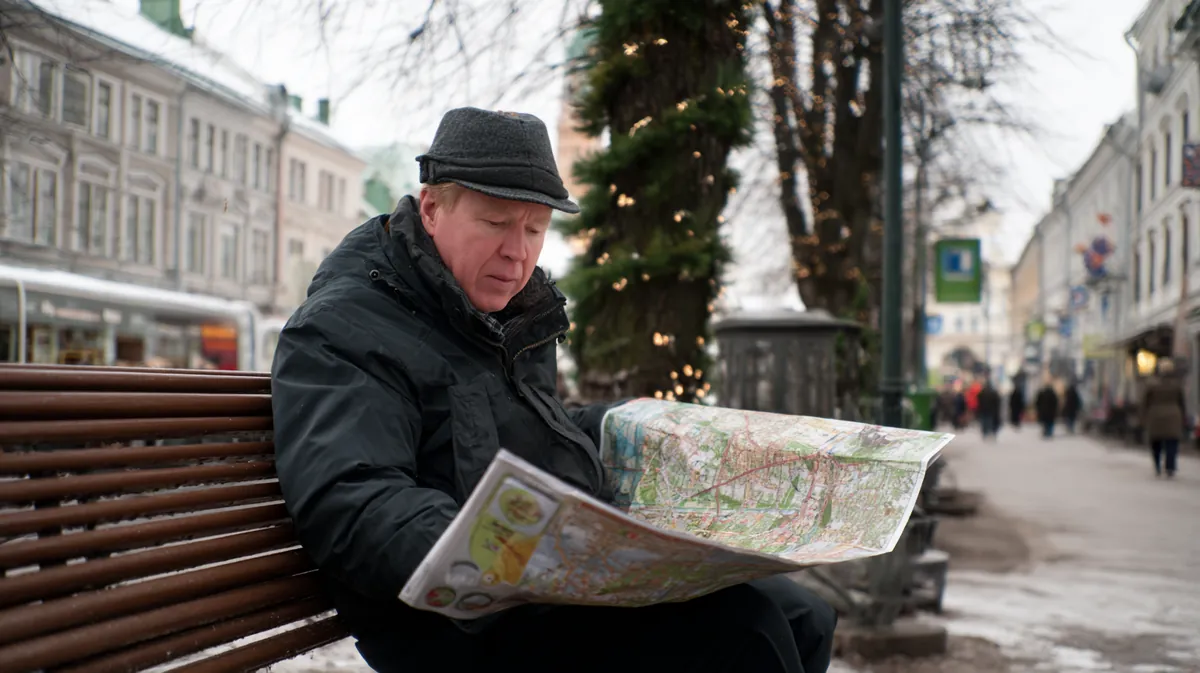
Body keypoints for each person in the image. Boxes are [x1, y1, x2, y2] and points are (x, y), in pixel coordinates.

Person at [270, 107, 837, 673]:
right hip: (457, 627)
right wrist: (512, 553)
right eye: (495, 222)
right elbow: (352, 498)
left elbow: (514, 425)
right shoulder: (347, 324)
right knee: (743, 631)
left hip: (547, 594)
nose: (517, 252)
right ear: (432, 208)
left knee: (803, 614)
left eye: (535, 228)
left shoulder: (503, 314)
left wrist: (633, 428)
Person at [1141, 359, 1185, 478]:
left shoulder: (1151, 383)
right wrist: (1183, 417)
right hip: (1173, 416)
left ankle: (1157, 465)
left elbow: (1145, 402)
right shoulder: (1177, 384)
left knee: (1156, 443)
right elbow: (1181, 402)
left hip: (1155, 416)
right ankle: (1170, 467)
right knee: (1172, 443)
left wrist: (1143, 417)